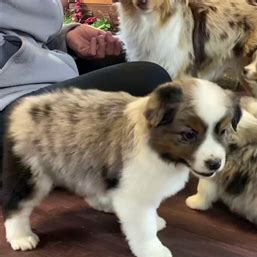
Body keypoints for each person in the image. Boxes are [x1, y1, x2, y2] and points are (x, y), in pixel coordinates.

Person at [0, 0, 172, 152]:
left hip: (33, 74)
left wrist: (64, 37)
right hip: (10, 103)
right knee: (149, 80)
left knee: (121, 58)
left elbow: (16, 27)